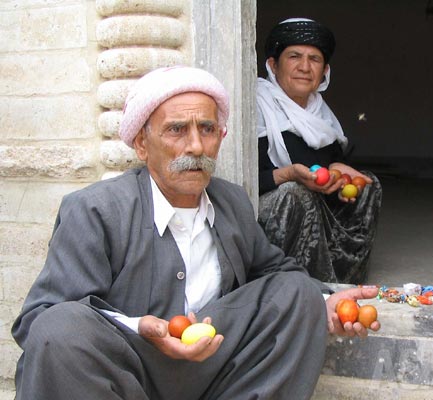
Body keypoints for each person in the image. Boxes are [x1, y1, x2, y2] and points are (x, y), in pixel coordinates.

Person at [11, 66, 380, 400]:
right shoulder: (96, 210)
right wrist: (141, 328)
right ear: (141, 143)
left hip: (210, 368)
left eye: (207, 129)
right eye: (176, 130)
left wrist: (323, 304)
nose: (196, 147)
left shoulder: (231, 202)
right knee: (58, 327)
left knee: (297, 292)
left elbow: (276, 273)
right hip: (124, 372)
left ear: (220, 137)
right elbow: (36, 320)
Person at [257, 18, 383, 284]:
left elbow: (332, 160)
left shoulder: (320, 113)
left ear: (324, 70)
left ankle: (342, 280)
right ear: (272, 65)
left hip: (316, 202)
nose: (305, 67)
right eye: (294, 56)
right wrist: (288, 174)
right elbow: (235, 179)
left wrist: (338, 170)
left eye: (314, 59)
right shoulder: (256, 107)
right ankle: (285, 284)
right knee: (295, 193)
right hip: (270, 210)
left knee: (370, 185)